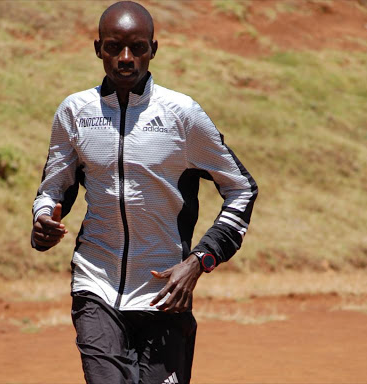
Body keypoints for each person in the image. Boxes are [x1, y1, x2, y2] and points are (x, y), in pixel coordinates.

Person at [31, 2, 257, 383]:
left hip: (165, 294)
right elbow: (54, 186)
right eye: (113, 47)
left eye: (137, 47)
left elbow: (241, 188)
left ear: (154, 49)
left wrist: (201, 260)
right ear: (97, 48)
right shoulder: (75, 112)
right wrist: (42, 217)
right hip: (95, 284)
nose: (125, 58)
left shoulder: (181, 115)